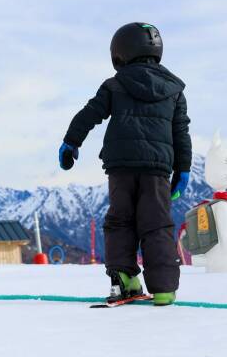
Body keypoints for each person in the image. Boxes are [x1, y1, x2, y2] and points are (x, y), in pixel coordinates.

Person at [59, 23, 192, 305]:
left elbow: (90, 114)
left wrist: (71, 142)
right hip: (157, 169)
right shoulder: (174, 91)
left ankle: (124, 280)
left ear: (120, 52)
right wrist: (184, 170)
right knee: (156, 225)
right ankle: (164, 288)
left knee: (120, 221)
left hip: (120, 167)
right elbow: (181, 133)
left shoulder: (115, 84)